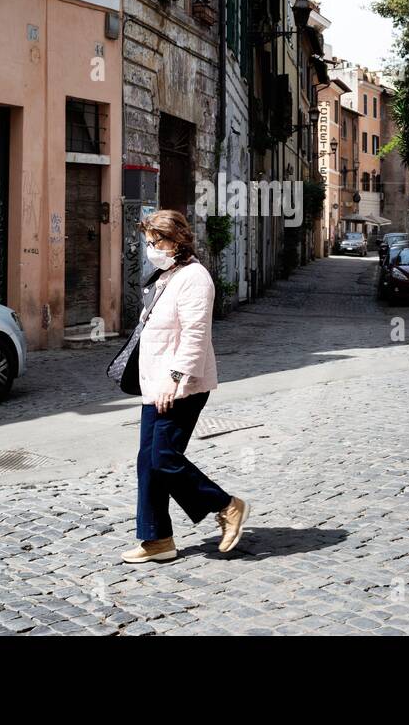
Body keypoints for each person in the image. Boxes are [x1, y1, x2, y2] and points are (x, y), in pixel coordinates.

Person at [122, 209, 249, 563]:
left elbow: (195, 335)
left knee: (163, 456)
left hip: (182, 386)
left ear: (177, 241)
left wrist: (174, 378)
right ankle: (157, 539)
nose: (151, 248)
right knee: (148, 461)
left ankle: (227, 505)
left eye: (156, 242)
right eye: (148, 242)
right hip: (156, 384)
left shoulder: (195, 278)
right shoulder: (167, 276)